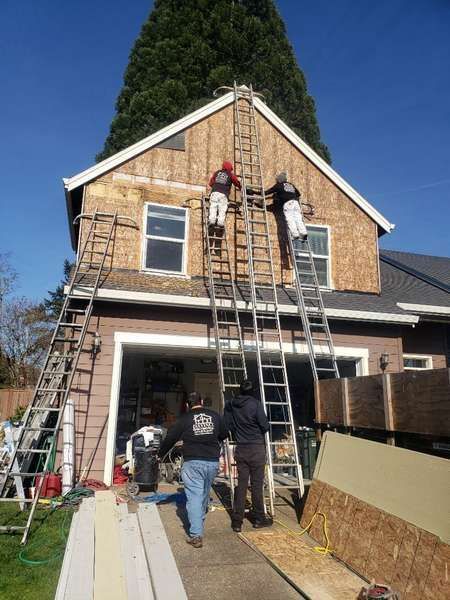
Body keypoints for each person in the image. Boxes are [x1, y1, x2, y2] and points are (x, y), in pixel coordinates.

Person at [158, 392, 228, 548]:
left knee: (195, 496)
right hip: (212, 462)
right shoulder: (215, 416)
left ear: (188, 405)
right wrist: (210, 437)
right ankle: (199, 518)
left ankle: (196, 534)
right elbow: (224, 434)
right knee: (204, 492)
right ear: (202, 401)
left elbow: (170, 438)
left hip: (193, 462)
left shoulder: (184, 419)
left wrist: (160, 454)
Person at [224, 379, 272, 532]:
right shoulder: (256, 404)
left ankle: (237, 521)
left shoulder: (231, 404)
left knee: (242, 484)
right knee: (257, 485)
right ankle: (258, 518)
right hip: (256, 448)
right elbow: (265, 426)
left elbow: (227, 425)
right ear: (252, 391)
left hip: (241, 448)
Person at [250, 172, 307, 241]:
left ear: (279, 180)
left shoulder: (278, 185)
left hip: (288, 204)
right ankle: (303, 233)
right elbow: (298, 194)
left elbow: (266, 192)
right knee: (298, 218)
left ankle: (295, 235)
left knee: (290, 219)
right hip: (296, 203)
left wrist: (254, 192)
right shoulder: (291, 185)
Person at [208, 161, 242, 228]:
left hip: (215, 192)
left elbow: (211, 183)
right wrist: (240, 187)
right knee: (222, 208)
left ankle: (212, 220)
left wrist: (215, 186)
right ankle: (220, 222)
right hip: (224, 194)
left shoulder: (217, 172)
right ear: (229, 168)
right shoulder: (230, 174)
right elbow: (236, 182)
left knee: (213, 206)